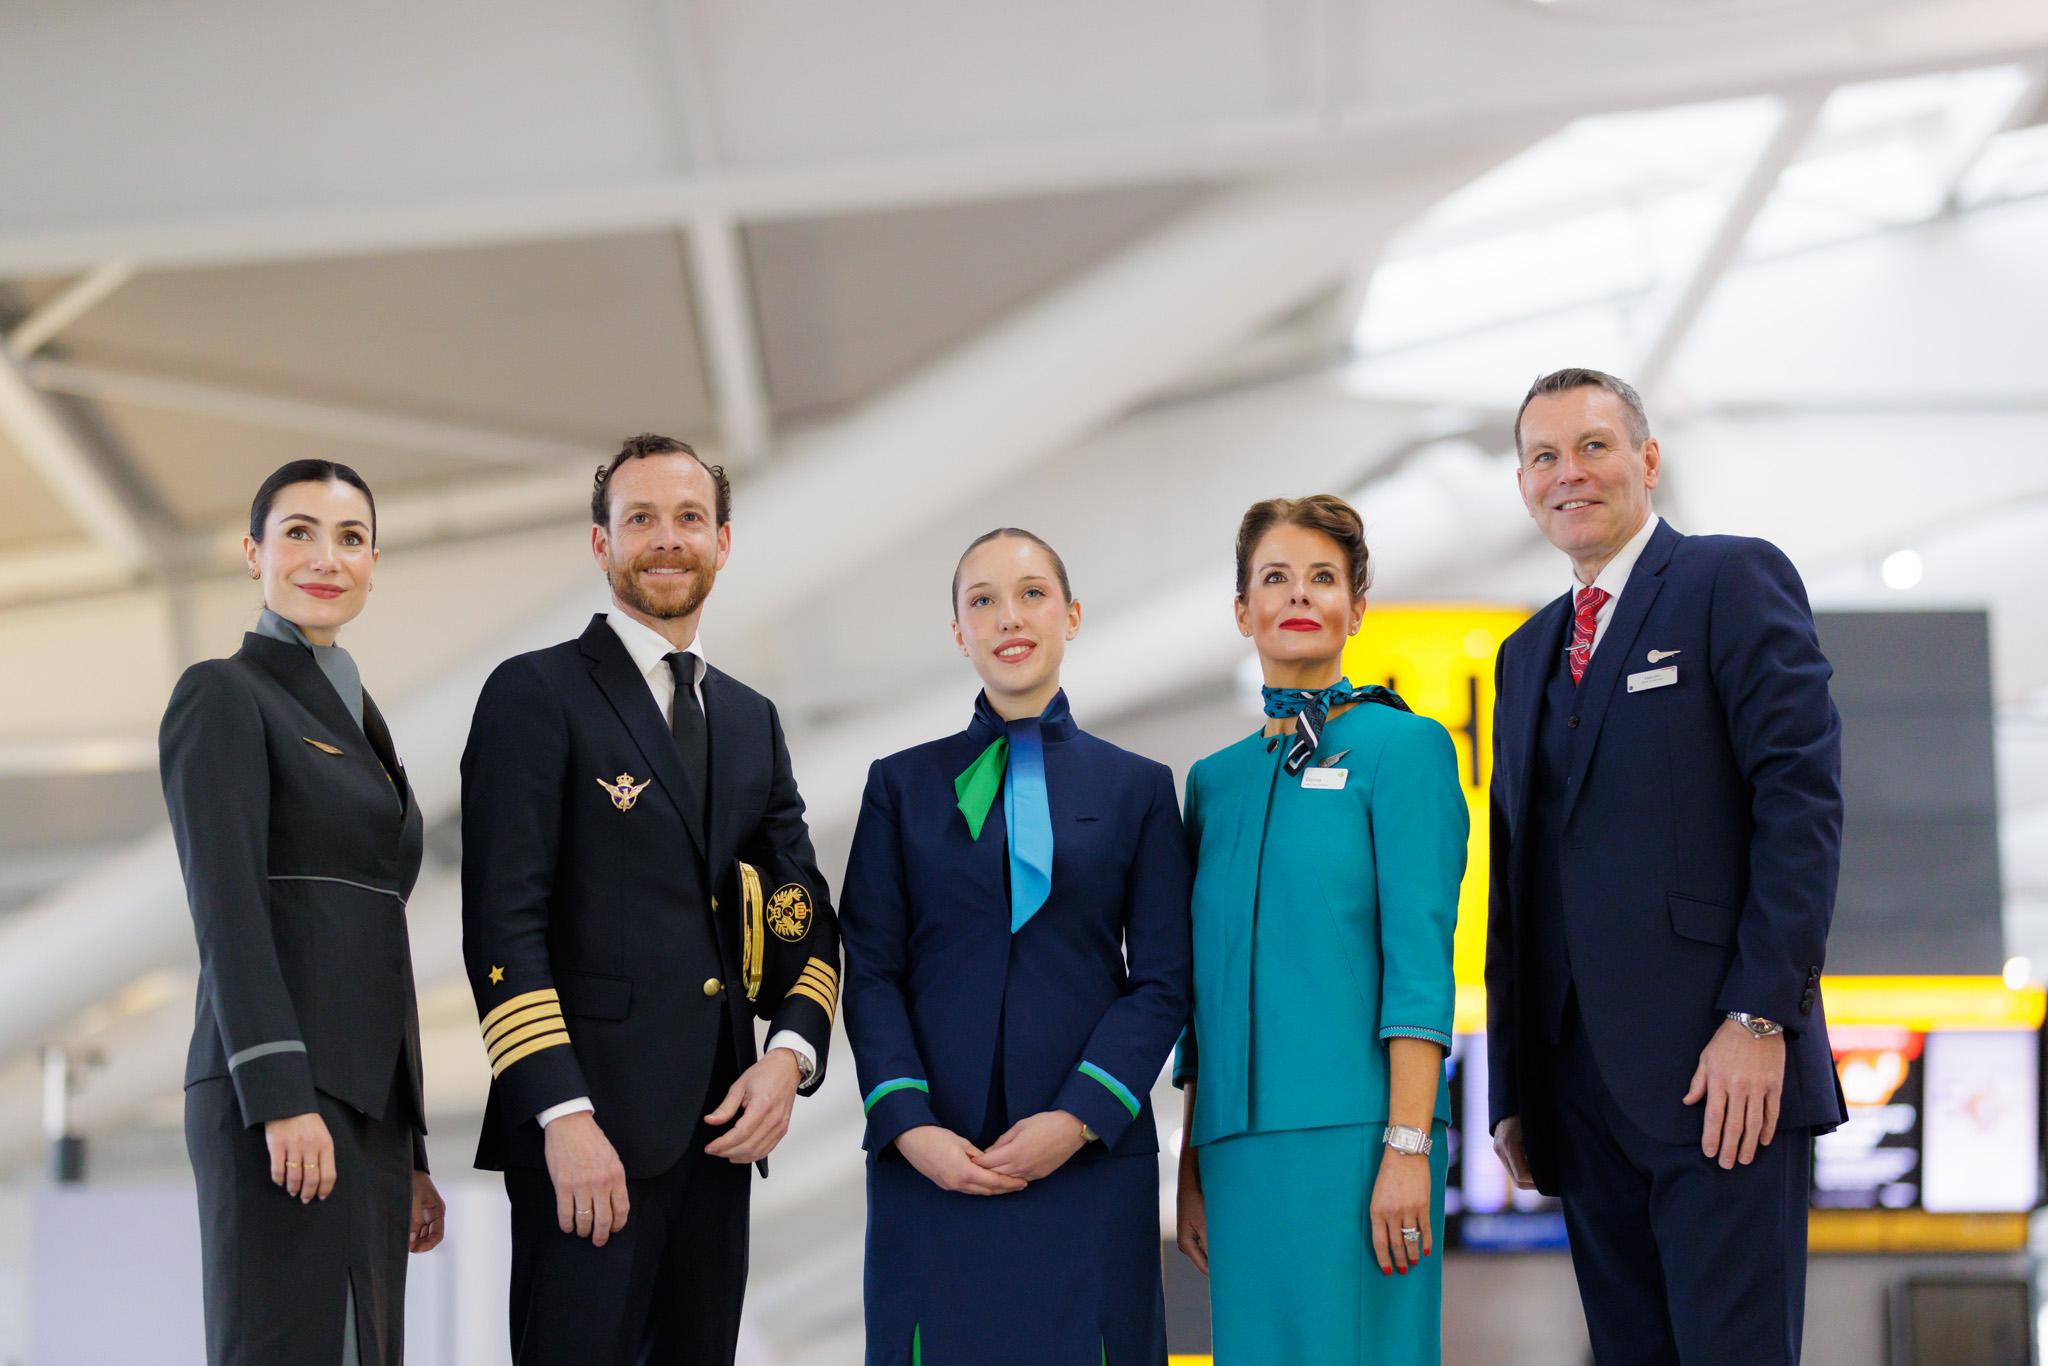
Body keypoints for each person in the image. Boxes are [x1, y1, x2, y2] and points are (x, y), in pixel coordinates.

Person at [1486, 369, 1844, 1365]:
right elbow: (1516, 880)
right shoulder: (1523, 654)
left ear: (1646, 460)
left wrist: (1758, 1014)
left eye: (1593, 446)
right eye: (1544, 456)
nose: (1570, 473)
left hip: (1722, 1070)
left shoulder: (1728, 581)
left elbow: (1798, 803)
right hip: (1577, 1091)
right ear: (1522, 485)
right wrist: (1513, 1085)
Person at [460, 433, 839, 1366]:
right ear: (601, 545)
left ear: (722, 541)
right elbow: (502, 922)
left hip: (718, 1136)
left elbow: (799, 906)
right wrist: (562, 1114)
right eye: (641, 520)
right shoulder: (534, 693)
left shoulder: (750, 720)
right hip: (588, 1140)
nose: (666, 539)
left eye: (689, 518)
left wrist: (789, 1056)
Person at [839, 528, 1192, 1366]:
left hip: (1088, 1161)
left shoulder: (1139, 788)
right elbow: (873, 969)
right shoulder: (899, 785)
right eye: (982, 600)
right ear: (959, 634)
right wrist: (908, 1124)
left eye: (1033, 593)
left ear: (1071, 616)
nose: (1010, 616)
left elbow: (1164, 982)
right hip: (931, 1160)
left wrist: (1078, 1117)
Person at [160, 460, 444, 1366]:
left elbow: (374, 935)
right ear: (253, 553)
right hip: (279, 1094)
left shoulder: (358, 717)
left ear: (373, 564)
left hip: (367, 1104)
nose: (327, 557)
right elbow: (227, 908)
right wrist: (280, 1097)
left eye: (351, 539)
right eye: (299, 532)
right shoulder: (225, 693)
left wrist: (413, 1145)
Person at [1173, 495, 1466, 1366]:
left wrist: (1407, 1148)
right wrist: (1190, 1163)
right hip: (1236, 1150)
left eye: (1323, 579)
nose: (1299, 595)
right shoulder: (1213, 783)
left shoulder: (1405, 749)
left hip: (1363, 1137)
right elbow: (1206, 991)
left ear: (1356, 606)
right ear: (1242, 611)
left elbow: (1420, 959)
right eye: (1275, 578)